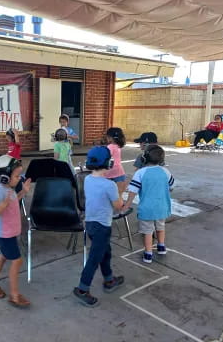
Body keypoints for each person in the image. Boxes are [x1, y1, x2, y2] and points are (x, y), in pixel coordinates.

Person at [73, 146, 125, 308]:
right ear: (108, 163)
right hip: (102, 226)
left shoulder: (87, 179)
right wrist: (121, 197)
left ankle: (109, 279)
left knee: (105, 253)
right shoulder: (109, 185)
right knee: (95, 258)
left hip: (90, 224)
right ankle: (82, 289)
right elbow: (117, 205)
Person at [0, 155, 32, 307]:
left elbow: (13, 202)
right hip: (4, 233)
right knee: (17, 261)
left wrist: (23, 192)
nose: (19, 178)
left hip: (9, 232)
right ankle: (14, 295)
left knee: (2, 256)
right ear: (5, 178)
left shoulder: (8, 188)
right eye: (17, 176)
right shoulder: (0, 191)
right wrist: (2, 206)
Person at [122, 145, 174, 264]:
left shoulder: (140, 173)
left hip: (147, 209)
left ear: (144, 158)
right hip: (162, 206)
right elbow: (171, 187)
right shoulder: (165, 171)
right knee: (161, 227)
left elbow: (133, 192)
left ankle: (148, 254)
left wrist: (126, 205)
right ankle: (161, 247)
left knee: (148, 231)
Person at [103, 127, 127, 201]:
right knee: (119, 195)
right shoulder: (118, 146)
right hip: (120, 173)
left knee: (107, 195)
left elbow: (105, 157)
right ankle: (121, 210)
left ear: (110, 137)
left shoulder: (110, 147)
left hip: (109, 173)